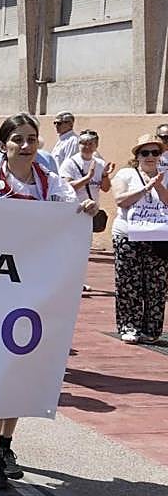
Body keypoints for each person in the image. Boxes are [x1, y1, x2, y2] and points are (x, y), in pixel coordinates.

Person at [0, 112, 95, 489]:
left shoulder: (50, 182)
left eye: (31, 139)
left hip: (35, 287)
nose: (25, 146)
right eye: (18, 139)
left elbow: (72, 210)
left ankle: (7, 444)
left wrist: (85, 209)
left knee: (22, 368)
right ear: (4, 144)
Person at [109, 134, 168, 345]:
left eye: (155, 152)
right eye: (145, 152)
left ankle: (152, 329)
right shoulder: (126, 174)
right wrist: (146, 187)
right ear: (137, 156)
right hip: (127, 234)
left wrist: (159, 185)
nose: (150, 156)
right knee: (128, 282)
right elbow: (120, 200)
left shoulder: (166, 175)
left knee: (155, 284)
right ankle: (128, 326)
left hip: (158, 236)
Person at [59, 129, 112, 206]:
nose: (87, 147)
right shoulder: (69, 163)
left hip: (93, 210)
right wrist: (88, 178)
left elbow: (105, 189)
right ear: (78, 145)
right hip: (75, 209)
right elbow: (67, 187)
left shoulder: (100, 163)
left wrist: (105, 175)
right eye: (83, 143)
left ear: (96, 145)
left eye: (90, 144)